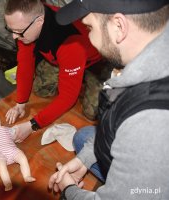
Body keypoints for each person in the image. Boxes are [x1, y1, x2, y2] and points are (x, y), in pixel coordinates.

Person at [48, 0, 169, 199]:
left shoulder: (150, 123)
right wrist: (84, 160)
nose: (89, 38)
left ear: (119, 27)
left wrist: (70, 191)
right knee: (84, 138)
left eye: (89, 27)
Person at [3, 0, 101, 142]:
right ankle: (75, 78)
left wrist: (33, 125)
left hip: (95, 61)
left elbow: (68, 98)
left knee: (92, 111)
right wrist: (20, 103)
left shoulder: (70, 42)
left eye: (18, 32)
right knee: (41, 89)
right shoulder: (26, 24)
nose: (14, 36)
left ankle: (90, 80)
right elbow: (25, 63)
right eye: (11, 29)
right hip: (61, 59)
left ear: (39, 21)